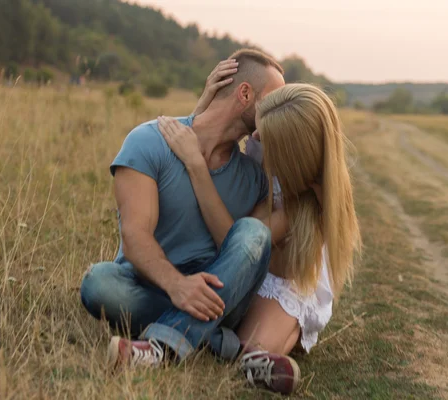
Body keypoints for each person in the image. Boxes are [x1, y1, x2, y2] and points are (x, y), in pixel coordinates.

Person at [79, 49, 300, 394]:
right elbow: (135, 236)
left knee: (254, 231)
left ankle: (158, 350)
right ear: (245, 94)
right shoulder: (150, 140)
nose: (280, 110)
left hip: (219, 297)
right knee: (98, 283)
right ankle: (226, 347)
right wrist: (177, 286)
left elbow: (245, 251)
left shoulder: (254, 177)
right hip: (151, 284)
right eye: (273, 100)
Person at [157, 83, 362, 364]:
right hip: (253, 264)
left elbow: (238, 245)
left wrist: (196, 166)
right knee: (240, 333)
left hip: (283, 279)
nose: (253, 136)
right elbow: (210, 141)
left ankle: (269, 342)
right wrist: (203, 107)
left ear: (290, 157)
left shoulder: (308, 199)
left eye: (263, 138)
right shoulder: (264, 145)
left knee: (251, 349)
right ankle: (245, 341)